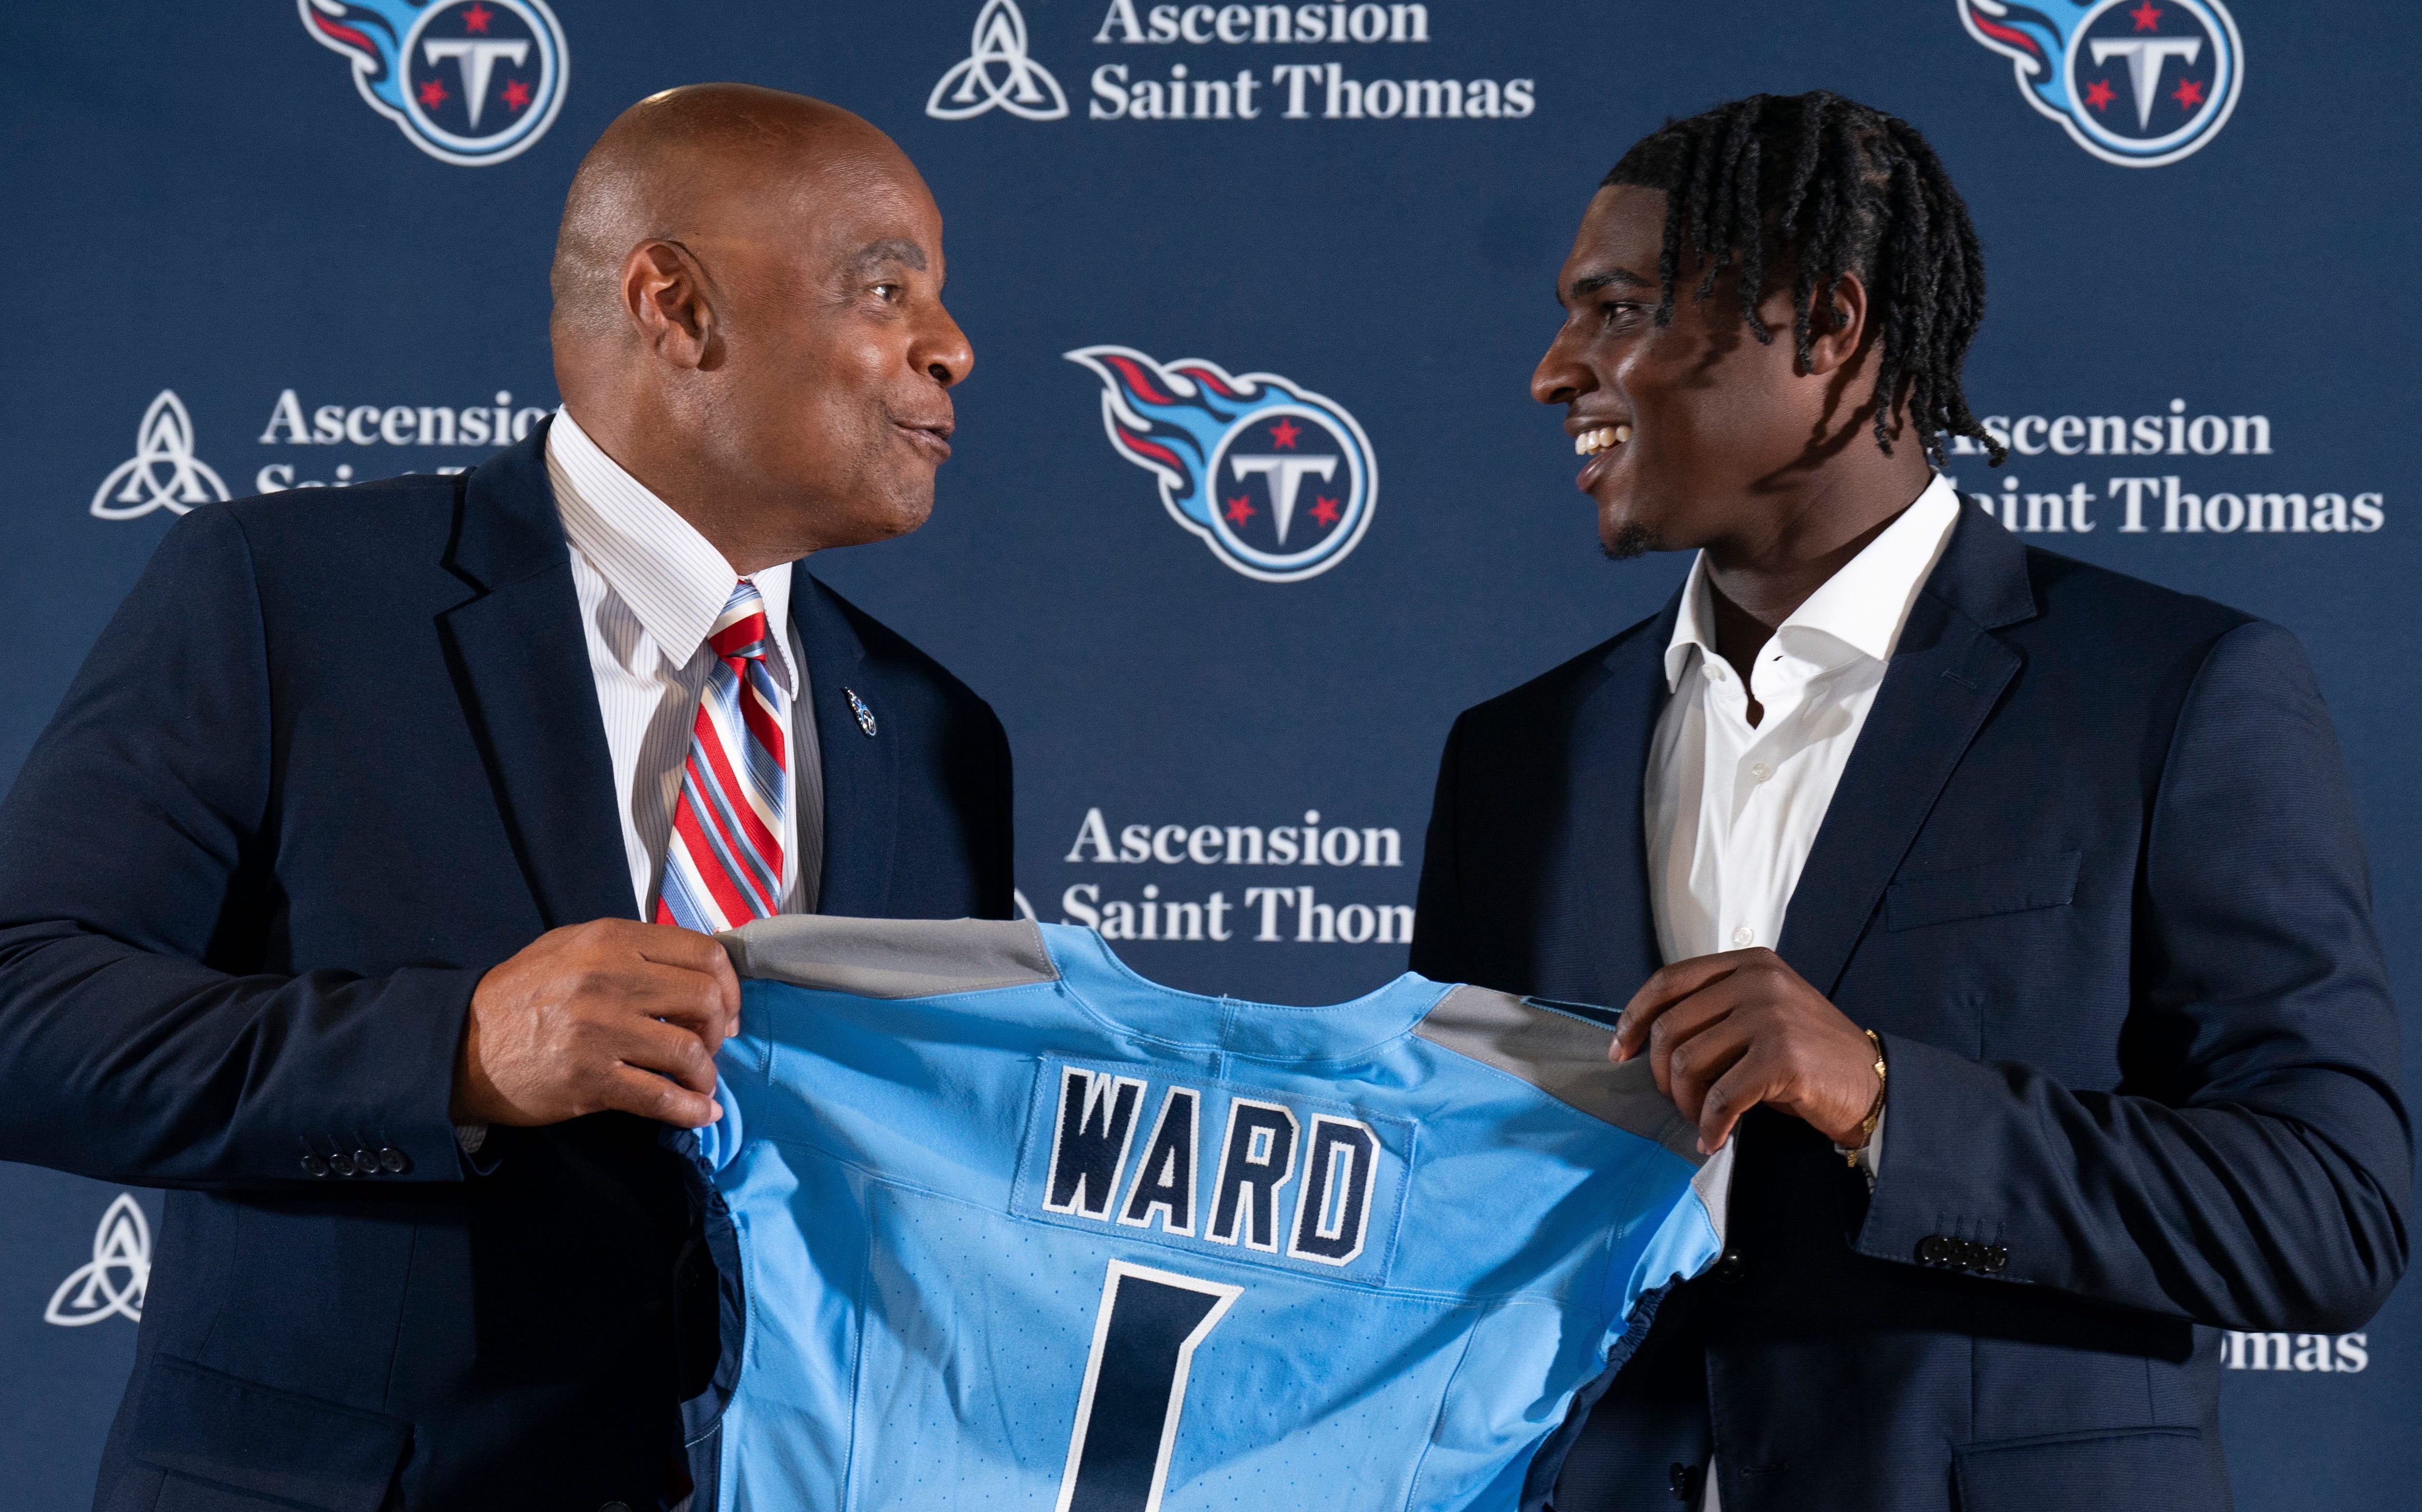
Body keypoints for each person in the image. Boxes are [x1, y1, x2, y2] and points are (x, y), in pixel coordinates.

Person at [0, 84, 1010, 1511]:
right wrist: (456, 1050)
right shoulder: (286, 596)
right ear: (676, 307)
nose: (952, 347)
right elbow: (22, 1010)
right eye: (886, 289)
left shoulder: (933, 728)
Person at [1410, 92, 2407, 1512]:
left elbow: (2327, 1217)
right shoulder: (1516, 755)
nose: (1553, 372)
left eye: (1620, 311)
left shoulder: (2172, 692)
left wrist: (1883, 1098)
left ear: (1826, 326)